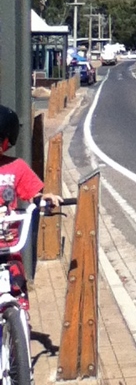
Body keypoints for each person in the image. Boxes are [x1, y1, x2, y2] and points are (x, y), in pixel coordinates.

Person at [0, 105, 61, 310]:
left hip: (8, 246)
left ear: (6, 141)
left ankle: (19, 325)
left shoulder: (16, 167)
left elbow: (33, 193)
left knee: (18, 296)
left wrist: (44, 198)